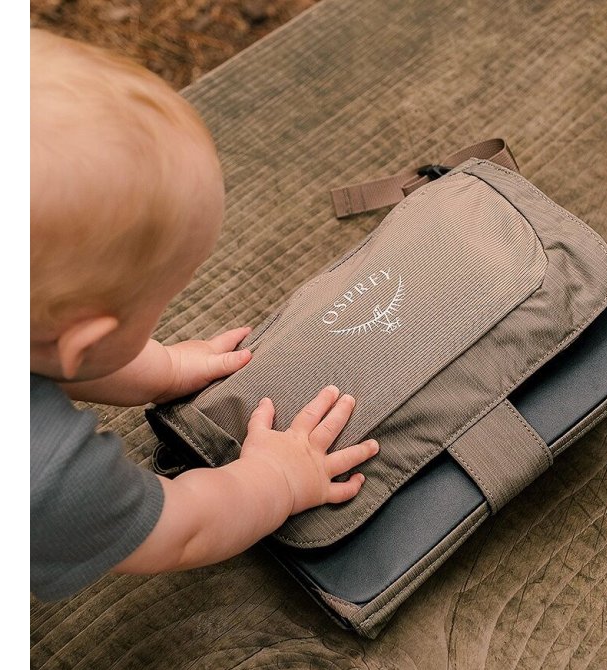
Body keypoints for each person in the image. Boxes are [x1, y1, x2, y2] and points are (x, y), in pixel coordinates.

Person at [30, 29, 378, 601]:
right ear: (83, 340)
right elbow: (180, 530)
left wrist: (161, 370)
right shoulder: (41, 474)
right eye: (159, 303)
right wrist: (276, 478)